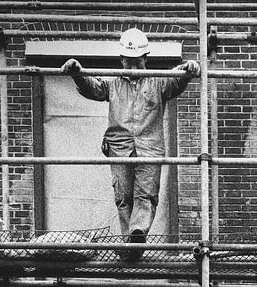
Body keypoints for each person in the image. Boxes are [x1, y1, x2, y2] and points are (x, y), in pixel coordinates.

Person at [60, 28, 200, 259]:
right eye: (129, 63)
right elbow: (93, 88)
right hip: (119, 146)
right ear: (121, 60)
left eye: (138, 63)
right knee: (123, 196)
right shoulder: (113, 82)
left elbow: (176, 81)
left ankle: (137, 234)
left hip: (149, 147)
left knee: (146, 194)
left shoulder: (158, 81)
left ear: (146, 59)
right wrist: (78, 73)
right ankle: (130, 246)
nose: (133, 69)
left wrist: (188, 69)